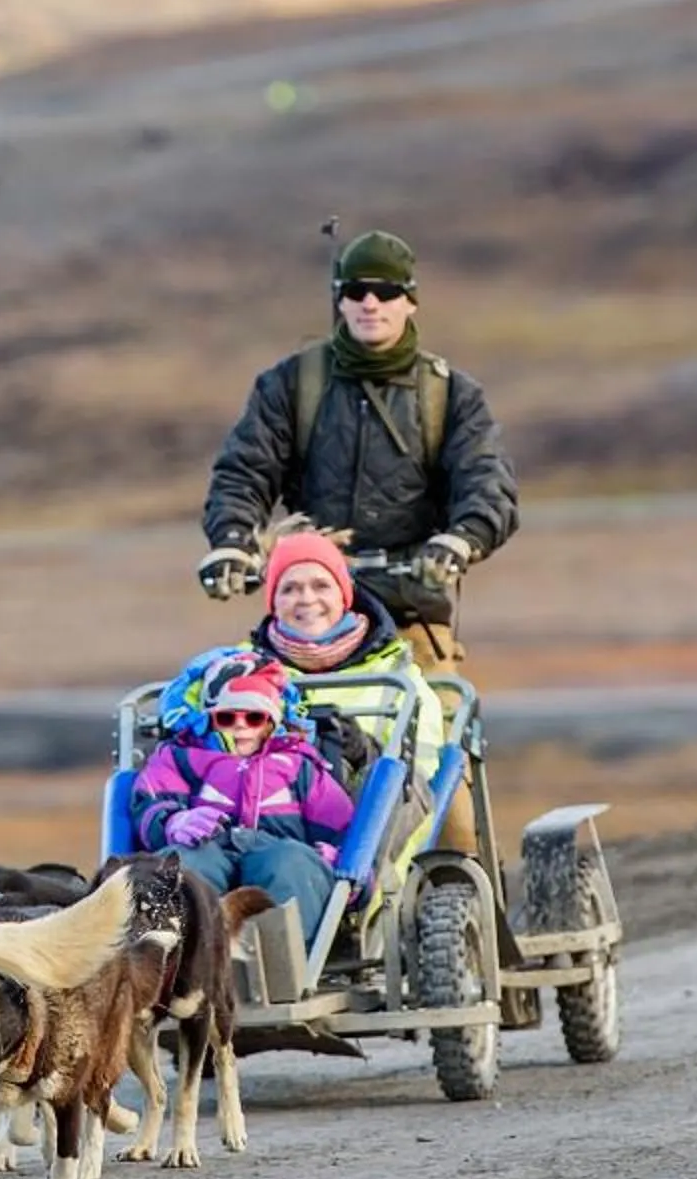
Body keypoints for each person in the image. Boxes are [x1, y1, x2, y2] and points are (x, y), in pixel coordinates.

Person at [198, 229, 517, 665]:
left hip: (413, 614)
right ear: (340, 299)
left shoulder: (450, 394)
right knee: (264, 718)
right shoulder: (291, 385)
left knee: (433, 722)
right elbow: (243, 471)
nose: (371, 303)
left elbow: (487, 481)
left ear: (410, 301)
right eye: (357, 290)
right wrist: (233, 541)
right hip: (308, 618)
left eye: (386, 292)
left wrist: (461, 540)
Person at [250, 528, 452, 865]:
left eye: (321, 586)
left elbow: (421, 778)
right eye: (289, 589)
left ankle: (353, 898)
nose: (306, 599)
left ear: (344, 595)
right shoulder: (244, 669)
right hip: (266, 814)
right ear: (273, 602)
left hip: (362, 830)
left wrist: (362, 754)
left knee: (398, 789)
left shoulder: (397, 676)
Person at [128, 653, 356, 926]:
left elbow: (340, 822)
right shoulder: (181, 756)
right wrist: (173, 821)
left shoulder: (297, 766)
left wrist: (339, 856)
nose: (240, 725)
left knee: (292, 866)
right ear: (209, 719)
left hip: (277, 848)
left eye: (254, 718)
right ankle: (183, 960)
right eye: (226, 717)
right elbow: (151, 801)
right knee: (180, 869)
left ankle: (284, 959)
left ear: (271, 723)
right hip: (206, 847)